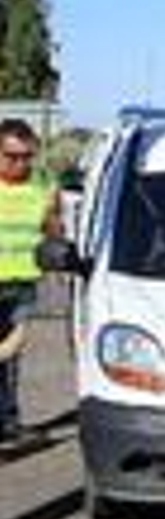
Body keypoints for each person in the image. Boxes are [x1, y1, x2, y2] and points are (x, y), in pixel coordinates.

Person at [0, 119, 62, 444]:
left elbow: (54, 232)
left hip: (22, 284)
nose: (20, 164)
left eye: (27, 156)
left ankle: (8, 423)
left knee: (10, 358)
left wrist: (55, 223)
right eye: (12, 156)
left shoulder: (43, 183)